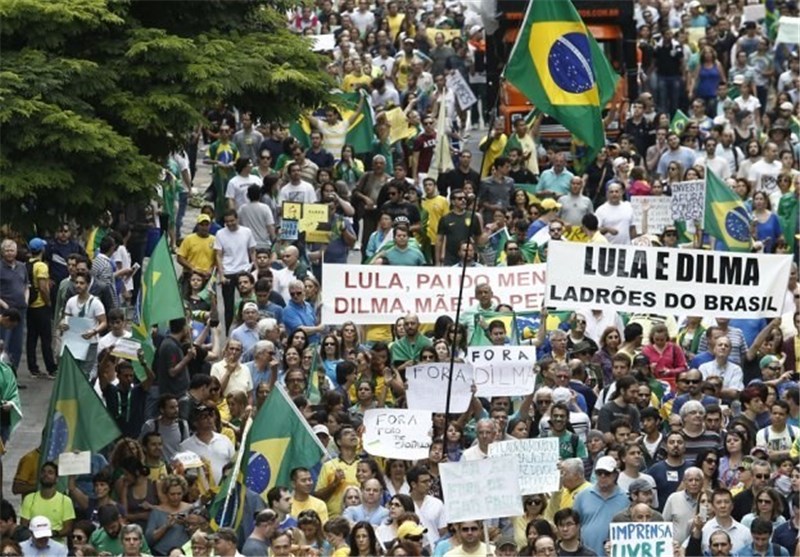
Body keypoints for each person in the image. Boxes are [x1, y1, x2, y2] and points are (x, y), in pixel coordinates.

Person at [573, 456, 629, 557]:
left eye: (607, 473)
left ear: (615, 474)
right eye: (599, 473)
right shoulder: (582, 496)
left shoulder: (626, 498)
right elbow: (574, 525)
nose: (603, 476)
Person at [214, 209, 256, 331]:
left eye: (232, 221)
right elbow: (218, 255)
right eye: (227, 222)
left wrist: (255, 269)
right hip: (228, 272)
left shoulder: (246, 232)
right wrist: (221, 275)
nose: (230, 224)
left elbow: (252, 251)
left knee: (248, 301)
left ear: (237, 219)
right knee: (229, 306)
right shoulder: (220, 233)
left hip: (244, 270)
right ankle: (229, 332)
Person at [177, 404, 234, 484]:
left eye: (211, 415)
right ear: (195, 422)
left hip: (223, 492)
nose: (209, 419)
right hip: (198, 494)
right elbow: (181, 473)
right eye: (204, 416)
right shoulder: (185, 447)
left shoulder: (225, 440)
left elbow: (233, 464)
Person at [20, 462, 75, 541]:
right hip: (33, 542)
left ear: (57, 478)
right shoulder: (29, 499)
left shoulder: (65, 500)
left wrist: (53, 534)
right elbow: (24, 526)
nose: (46, 474)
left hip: (56, 545)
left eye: (50, 472)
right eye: (43, 472)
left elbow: (68, 529)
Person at [702, 488, 752, 554]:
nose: (723, 506)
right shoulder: (704, 529)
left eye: (726, 502)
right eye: (719, 502)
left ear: (732, 506)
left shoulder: (745, 532)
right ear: (713, 506)